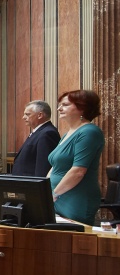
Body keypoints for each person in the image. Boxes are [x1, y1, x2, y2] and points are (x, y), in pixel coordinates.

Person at [48, 90, 105, 225]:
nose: (59, 108)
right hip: (57, 195)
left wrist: (54, 194)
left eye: (65, 105)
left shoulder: (89, 132)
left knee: (73, 241)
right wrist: (43, 190)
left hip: (75, 198)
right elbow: (55, 166)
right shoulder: (68, 133)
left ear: (82, 108)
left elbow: (78, 171)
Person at [12, 100, 60, 177]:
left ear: (40, 115)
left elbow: (43, 166)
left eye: (27, 114)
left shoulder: (47, 133)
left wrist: (38, 187)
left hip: (32, 185)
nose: (23, 117)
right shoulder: (39, 132)